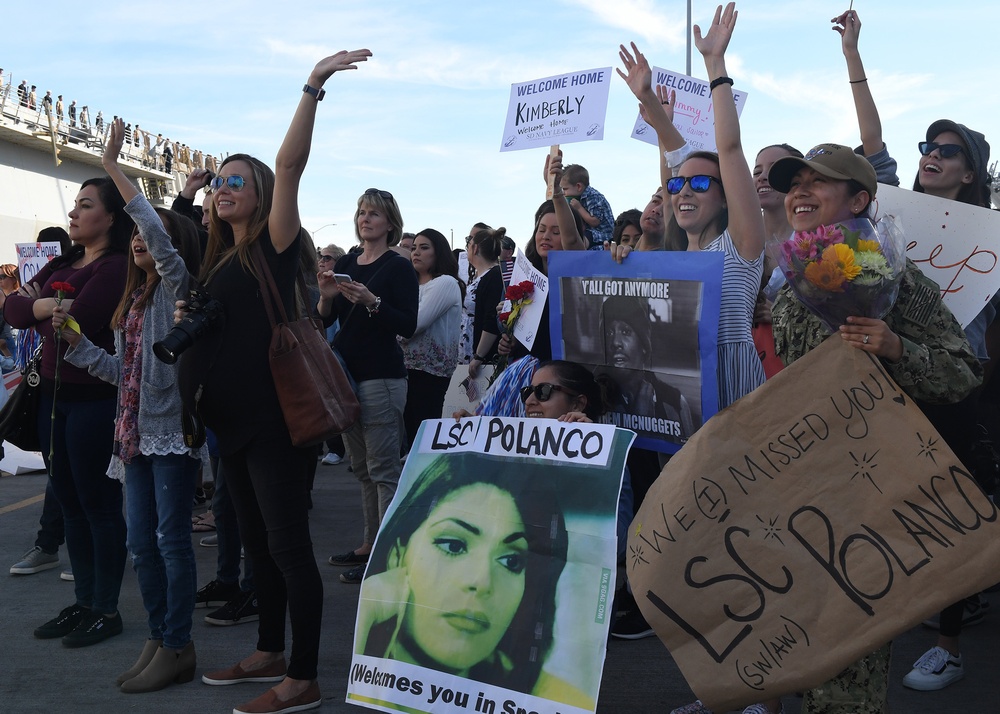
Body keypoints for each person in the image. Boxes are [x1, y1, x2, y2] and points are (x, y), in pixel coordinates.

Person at [185, 50, 374, 714]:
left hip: (276, 419)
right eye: (219, 185)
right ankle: (267, 648)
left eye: (237, 180)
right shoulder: (218, 261)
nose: (223, 189)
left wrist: (313, 85)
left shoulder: (274, 241)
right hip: (230, 422)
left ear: (262, 194)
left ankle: (302, 676)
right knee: (259, 543)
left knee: (288, 546)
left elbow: (290, 163)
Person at [765, 143, 982, 714]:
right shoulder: (790, 279)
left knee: (846, 664)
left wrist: (897, 348)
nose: (800, 192)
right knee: (801, 638)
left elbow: (962, 374)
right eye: (795, 183)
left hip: (870, 498)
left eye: (820, 182)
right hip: (800, 488)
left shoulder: (897, 279)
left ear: (860, 199)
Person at [832, 6, 997, 696]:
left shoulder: (991, 236)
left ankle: (949, 644)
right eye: (929, 144)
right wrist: (855, 59)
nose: (932, 154)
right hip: (888, 379)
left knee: (952, 510)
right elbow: (871, 141)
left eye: (949, 150)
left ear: (969, 173)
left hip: (959, 390)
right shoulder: (891, 209)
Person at [54, 118, 202, 692]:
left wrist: (115, 166)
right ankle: (160, 635)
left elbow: (159, 240)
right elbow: (123, 374)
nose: (142, 241)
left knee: (170, 540)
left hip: (170, 432)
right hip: (132, 432)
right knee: (140, 542)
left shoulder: (174, 287)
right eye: (139, 235)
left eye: (151, 234)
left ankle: (178, 642)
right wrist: (78, 344)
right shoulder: (133, 301)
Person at [355, 451, 595, 708]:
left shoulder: (557, 701)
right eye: (454, 545)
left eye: (511, 562)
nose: (482, 582)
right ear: (397, 555)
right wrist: (365, 618)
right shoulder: (371, 685)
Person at [618, 4, 766, 411]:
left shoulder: (742, 245)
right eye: (678, 186)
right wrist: (621, 263)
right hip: (680, 401)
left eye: (700, 184)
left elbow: (729, 148)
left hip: (737, 394)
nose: (684, 192)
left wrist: (714, 63)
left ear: (725, 198)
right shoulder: (670, 258)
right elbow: (673, 167)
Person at [4, 177, 132, 648]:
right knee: (70, 505)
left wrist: (37, 306)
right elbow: (13, 311)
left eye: (85, 205)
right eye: (75, 205)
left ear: (112, 217)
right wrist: (49, 305)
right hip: (53, 398)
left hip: (94, 401)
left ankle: (106, 609)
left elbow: (84, 320)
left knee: (98, 506)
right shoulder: (64, 260)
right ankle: (83, 601)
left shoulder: (116, 267)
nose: (74, 214)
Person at [317, 183, 418, 586]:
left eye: (374, 213)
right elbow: (323, 320)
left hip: (381, 377)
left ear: (390, 222)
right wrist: (327, 298)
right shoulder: (349, 264)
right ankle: (368, 543)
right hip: (346, 376)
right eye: (361, 212)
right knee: (361, 468)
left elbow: (407, 324)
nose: (365, 218)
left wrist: (373, 302)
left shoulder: (398, 266)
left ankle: (386, 552)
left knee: (383, 468)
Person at [479, 154, 587, 418]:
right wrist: (510, 341)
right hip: (524, 381)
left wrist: (556, 191)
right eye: (541, 229)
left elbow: (573, 241)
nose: (546, 236)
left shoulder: (577, 276)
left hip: (559, 389)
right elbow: (524, 336)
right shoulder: (525, 278)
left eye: (556, 230)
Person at [598, 295, 695, 440]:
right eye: (609, 333)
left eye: (625, 332)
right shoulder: (592, 397)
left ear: (644, 345)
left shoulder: (675, 402)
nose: (615, 342)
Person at [399, 228, 463, 447]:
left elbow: (414, 325)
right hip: (403, 368)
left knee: (422, 435)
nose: (416, 252)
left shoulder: (445, 283)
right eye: (413, 248)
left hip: (429, 371)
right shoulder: (410, 285)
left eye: (424, 248)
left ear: (439, 253)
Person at [462, 226, 504, 374]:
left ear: (475, 248)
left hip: (483, 361)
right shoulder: (480, 277)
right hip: (470, 353)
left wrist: (479, 356)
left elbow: (491, 318)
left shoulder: (493, 276)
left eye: (468, 242)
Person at [560, 163, 614, 250]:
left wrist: (579, 208)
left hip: (603, 233)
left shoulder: (593, 196)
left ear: (578, 187)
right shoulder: (580, 197)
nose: (563, 193)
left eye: (565, 189)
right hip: (592, 232)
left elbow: (595, 221)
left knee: (580, 241)